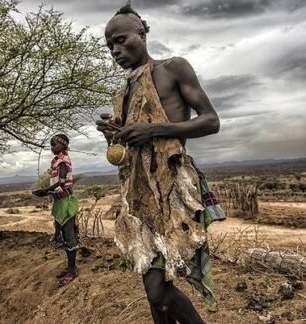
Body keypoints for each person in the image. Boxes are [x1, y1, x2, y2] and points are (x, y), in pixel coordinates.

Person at [97, 5, 226, 324]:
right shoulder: (128, 89)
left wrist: (153, 129)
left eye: (121, 40)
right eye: (110, 45)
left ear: (141, 34)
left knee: (158, 291)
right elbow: (136, 143)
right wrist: (117, 134)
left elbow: (211, 121)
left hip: (171, 189)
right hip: (138, 192)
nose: (115, 50)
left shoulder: (173, 68)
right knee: (153, 285)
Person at [32, 134, 79, 286]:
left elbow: (60, 183)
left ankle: (72, 270)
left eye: (53, 145)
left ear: (62, 145)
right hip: (60, 202)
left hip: (66, 202)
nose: (51, 148)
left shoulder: (63, 162)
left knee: (69, 235)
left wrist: (45, 190)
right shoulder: (57, 162)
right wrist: (46, 191)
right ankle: (70, 267)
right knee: (63, 235)